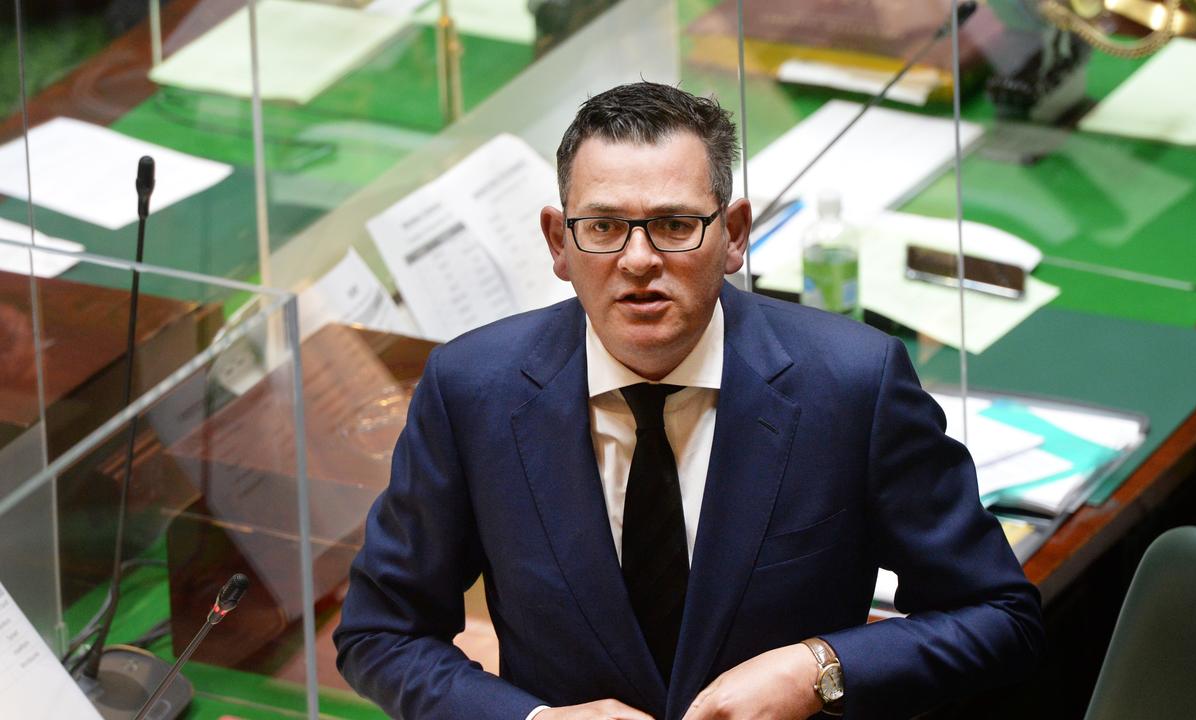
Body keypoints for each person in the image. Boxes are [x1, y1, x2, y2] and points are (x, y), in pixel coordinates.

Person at [335, 81, 1043, 720]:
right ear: (559, 242)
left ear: (733, 234)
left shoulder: (854, 384)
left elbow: (999, 614)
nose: (639, 260)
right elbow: (380, 633)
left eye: (675, 225)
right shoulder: (471, 391)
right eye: (604, 227)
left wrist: (820, 669)